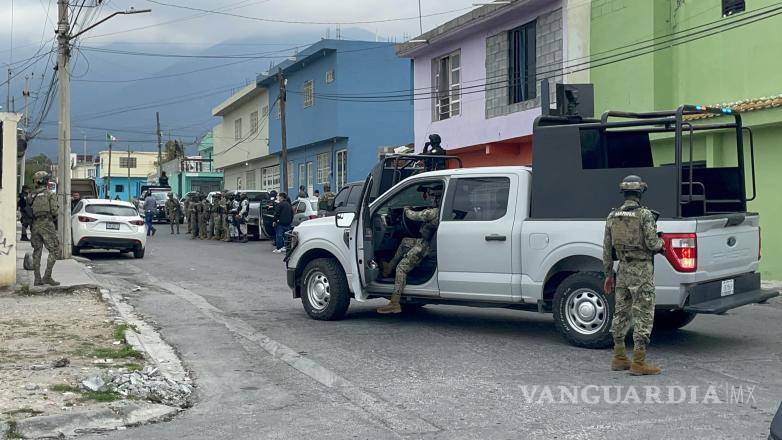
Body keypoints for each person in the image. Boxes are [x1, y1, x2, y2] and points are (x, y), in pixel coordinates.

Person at [603, 175, 665, 376]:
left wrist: (608, 275)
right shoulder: (645, 215)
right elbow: (652, 244)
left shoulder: (612, 216)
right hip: (641, 271)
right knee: (643, 313)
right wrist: (661, 242)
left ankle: (619, 357)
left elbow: (606, 250)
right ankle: (639, 362)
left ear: (624, 193)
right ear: (640, 193)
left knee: (621, 311)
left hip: (622, 270)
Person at [377, 184, 443, 314]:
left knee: (401, 268)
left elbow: (413, 216)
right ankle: (388, 268)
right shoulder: (440, 210)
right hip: (426, 242)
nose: (431, 199)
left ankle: (395, 302)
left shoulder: (433, 212)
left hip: (425, 247)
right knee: (404, 242)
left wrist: (406, 207)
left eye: (433, 197)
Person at [28, 171, 60, 286]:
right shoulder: (50, 194)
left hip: (35, 225)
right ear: (46, 181)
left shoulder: (30, 195)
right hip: (47, 224)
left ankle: (37, 279)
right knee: (55, 249)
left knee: (37, 251)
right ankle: (47, 276)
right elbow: (54, 211)